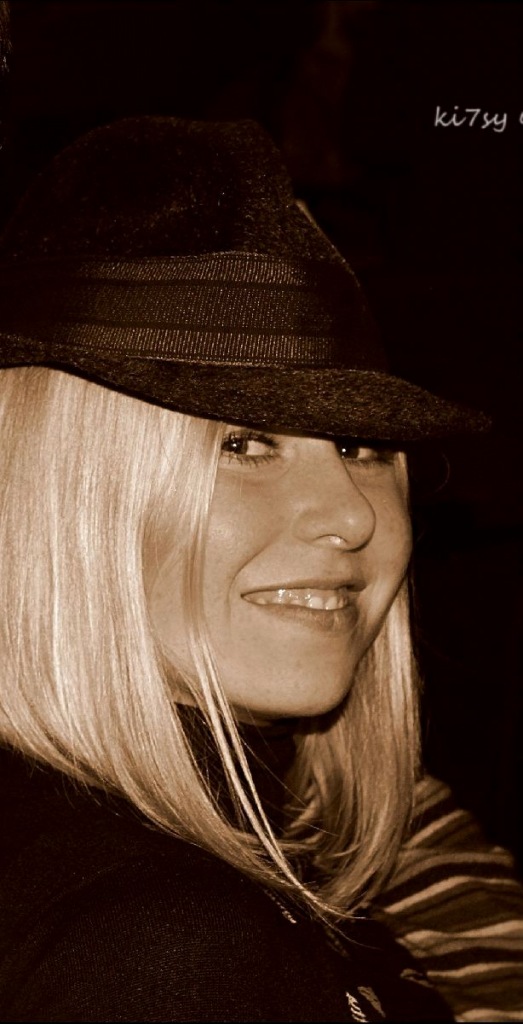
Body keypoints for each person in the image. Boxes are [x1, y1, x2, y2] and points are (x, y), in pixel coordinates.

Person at [0, 115, 518, 1023]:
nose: (353, 515)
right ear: (66, 492)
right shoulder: (165, 944)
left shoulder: (275, 815)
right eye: (243, 444)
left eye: (359, 446)